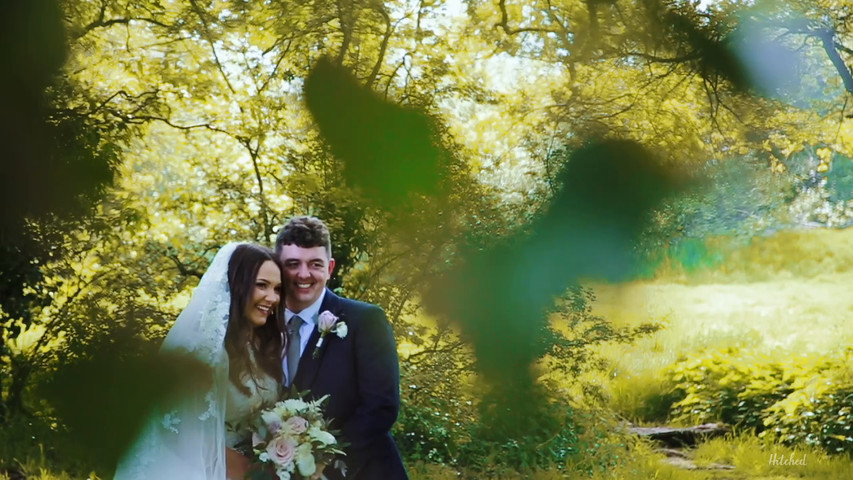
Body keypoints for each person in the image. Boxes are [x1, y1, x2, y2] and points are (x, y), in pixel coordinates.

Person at [113, 243, 285, 480]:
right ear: (237, 286)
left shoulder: (259, 347)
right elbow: (181, 431)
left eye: (277, 289)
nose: (272, 297)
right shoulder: (204, 350)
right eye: (262, 285)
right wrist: (248, 471)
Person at [275, 216, 408, 480]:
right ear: (278, 267)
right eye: (293, 264)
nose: (304, 274)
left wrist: (322, 461)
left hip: (361, 472)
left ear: (330, 268)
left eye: (315, 264)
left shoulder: (364, 320)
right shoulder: (261, 325)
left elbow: (381, 406)